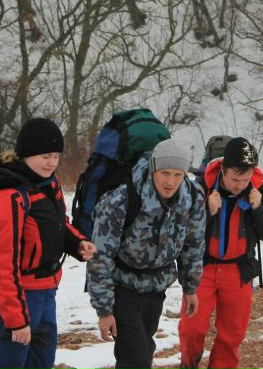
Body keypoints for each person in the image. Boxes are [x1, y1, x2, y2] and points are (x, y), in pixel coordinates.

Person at [0, 117, 96, 369]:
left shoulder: (47, 182)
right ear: (26, 154)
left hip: (46, 290)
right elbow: (2, 264)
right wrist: (15, 319)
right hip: (13, 296)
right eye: (45, 155)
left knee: (40, 362)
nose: (52, 162)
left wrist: (77, 243)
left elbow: (58, 223)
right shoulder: (6, 195)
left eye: (56, 156)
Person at [87, 138, 206, 369]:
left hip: (156, 286)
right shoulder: (122, 199)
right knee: (137, 358)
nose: (171, 182)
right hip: (122, 285)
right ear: (153, 168)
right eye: (165, 173)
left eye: (177, 174)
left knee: (143, 349)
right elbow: (99, 255)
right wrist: (103, 309)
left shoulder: (192, 198)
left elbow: (194, 243)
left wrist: (190, 287)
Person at [179, 137, 263, 369]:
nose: (240, 185)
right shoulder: (200, 188)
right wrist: (208, 211)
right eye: (235, 179)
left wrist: (258, 209)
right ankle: (188, 365)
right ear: (222, 170)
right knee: (192, 330)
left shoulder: (258, 189)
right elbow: (181, 234)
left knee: (232, 334)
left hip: (239, 271)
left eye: (245, 179)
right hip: (202, 269)